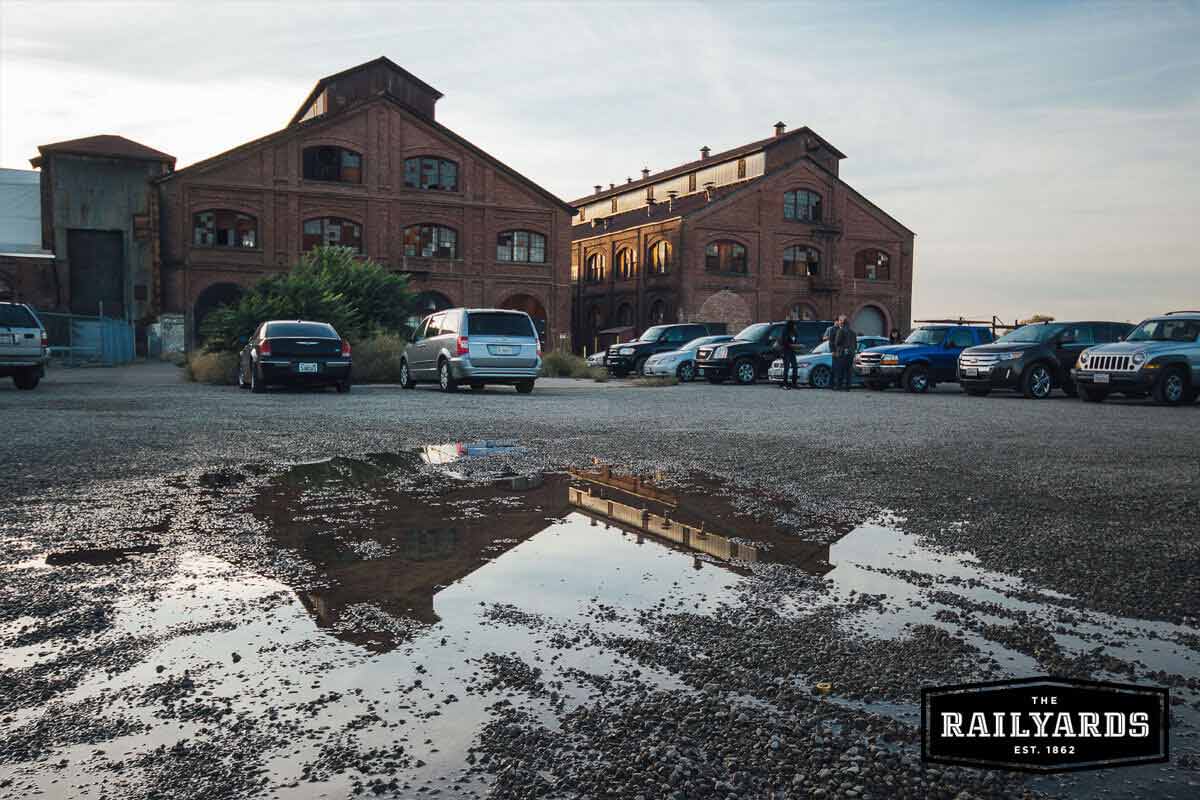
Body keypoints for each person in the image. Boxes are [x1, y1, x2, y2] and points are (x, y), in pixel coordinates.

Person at [830, 315, 858, 390]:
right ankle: (847, 386)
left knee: (840, 370)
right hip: (851, 353)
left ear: (843, 323)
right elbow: (855, 344)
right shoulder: (853, 332)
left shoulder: (840, 331)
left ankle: (839, 386)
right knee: (848, 371)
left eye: (841, 321)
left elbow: (837, 342)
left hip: (842, 353)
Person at [779, 319, 798, 389]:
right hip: (786, 351)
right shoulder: (785, 331)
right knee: (786, 367)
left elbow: (796, 339)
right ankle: (785, 383)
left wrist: (795, 345)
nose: (795, 326)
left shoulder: (794, 332)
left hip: (792, 351)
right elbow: (784, 341)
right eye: (794, 325)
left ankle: (794, 383)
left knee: (795, 366)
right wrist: (790, 345)